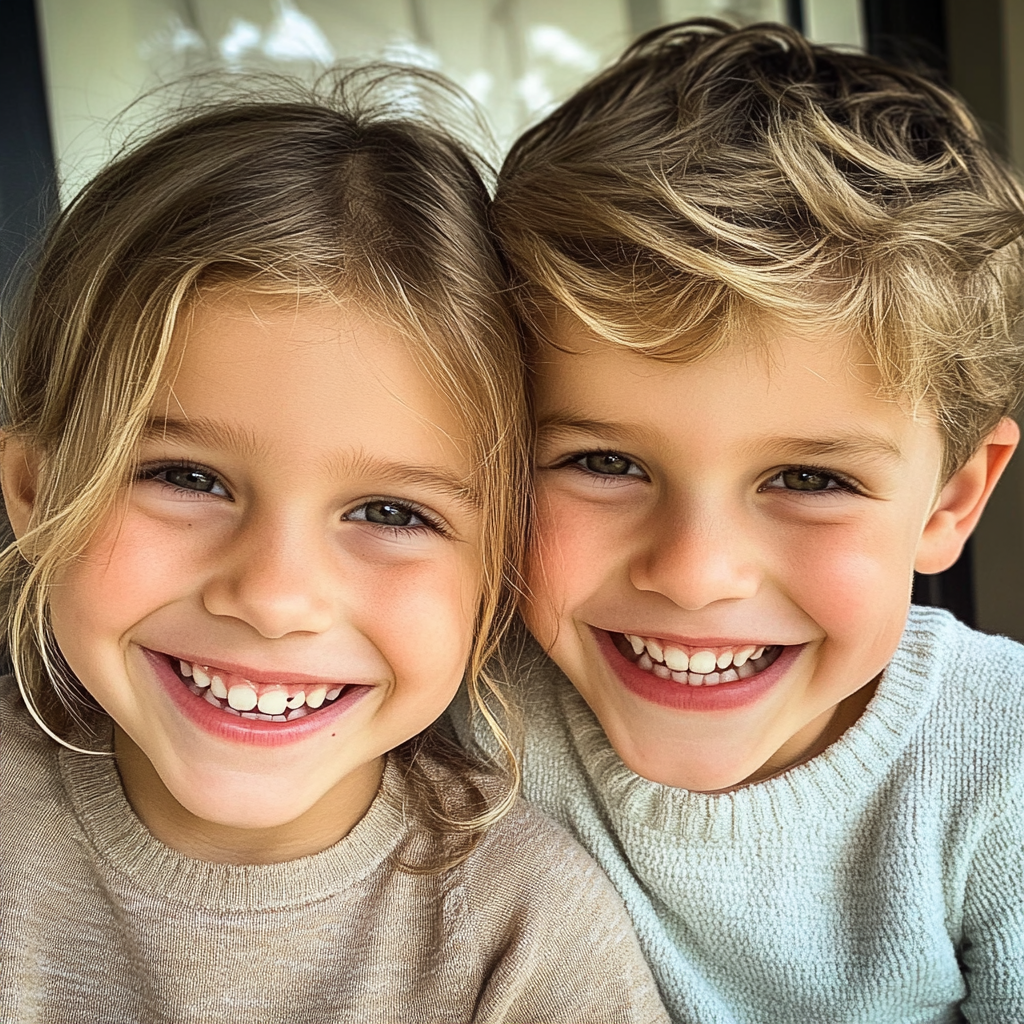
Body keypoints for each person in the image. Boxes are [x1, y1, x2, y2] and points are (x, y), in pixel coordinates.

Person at [0, 70, 669, 1024]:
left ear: (502, 568)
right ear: (34, 489)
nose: (275, 596)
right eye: (186, 478)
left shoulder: (523, 931)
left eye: (392, 514)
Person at [455, 20, 1024, 1023]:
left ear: (949, 502)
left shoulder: (1000, 756)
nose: (693, 571)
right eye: (603, 462)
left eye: (808, 478)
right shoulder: (467, 715)